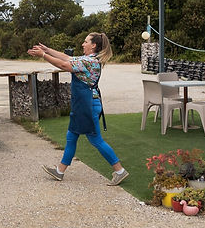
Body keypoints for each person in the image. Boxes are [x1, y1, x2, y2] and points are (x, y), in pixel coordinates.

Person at [28, 32, 129, 186]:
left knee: (96, 140)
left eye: (85, 41)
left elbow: (64, 65)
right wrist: (47, 50)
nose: (82, 44)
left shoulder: (89, 62)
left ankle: (120, 171)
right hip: (84, 105)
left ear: (93, 45)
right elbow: (66, 58)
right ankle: (60, 171)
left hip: (87, 106)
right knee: (72, 136)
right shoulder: (88, 59)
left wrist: (43, 55)